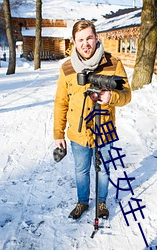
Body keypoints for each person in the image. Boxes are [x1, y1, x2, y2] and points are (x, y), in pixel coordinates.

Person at [53, 20, 131, 220]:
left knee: (103, 170)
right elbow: (61, 102)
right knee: (81, 171)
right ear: (74, 42)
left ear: (96, 38)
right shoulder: (67, 68)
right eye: (80, 40)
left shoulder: (113, 63)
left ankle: (102, 202)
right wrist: (58, 134)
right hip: (78, 133)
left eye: (89, 38)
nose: (85, 43)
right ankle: (82, 202)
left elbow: (127, 95)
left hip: (104, 129)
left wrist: (111, 97)